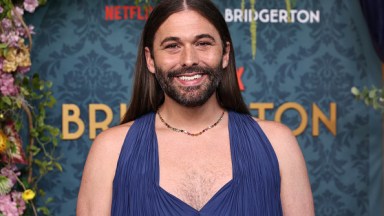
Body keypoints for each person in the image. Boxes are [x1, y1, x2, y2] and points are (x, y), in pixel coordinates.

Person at [77, 0, 315, 215]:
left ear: (225, 54)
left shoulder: (278, 143)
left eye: (203, 43)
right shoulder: (110, 150)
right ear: (150, 60)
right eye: (172, 46)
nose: (189, 59)